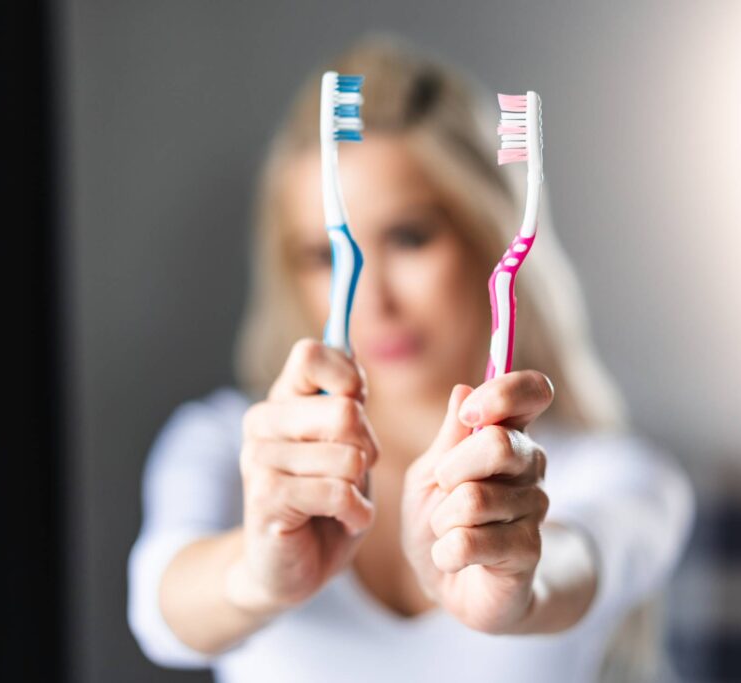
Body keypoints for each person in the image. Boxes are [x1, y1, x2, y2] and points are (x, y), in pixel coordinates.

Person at [127, 34, 694, 683]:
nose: (373, 298)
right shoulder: (229, 445)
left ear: (487, 233)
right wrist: (258, 572)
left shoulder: (619, 474)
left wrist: (519, 579)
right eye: (325, 254)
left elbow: (585, 558)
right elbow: (159, 612)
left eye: (409, 236)